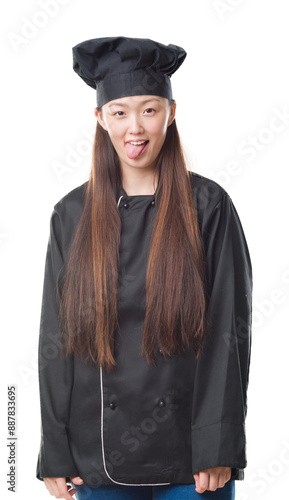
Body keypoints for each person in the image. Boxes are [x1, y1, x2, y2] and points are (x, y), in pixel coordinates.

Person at [36, 37, 252, 500]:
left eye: (149, 110)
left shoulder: (208, 206)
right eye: (119, 112)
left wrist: (217, 443)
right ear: (100, 120)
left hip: (192, 459)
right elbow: (55, 338)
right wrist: (54, 449)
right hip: (95, 455)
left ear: (171, 113)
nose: (135, 127)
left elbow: (228, 333)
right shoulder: (70, 215)